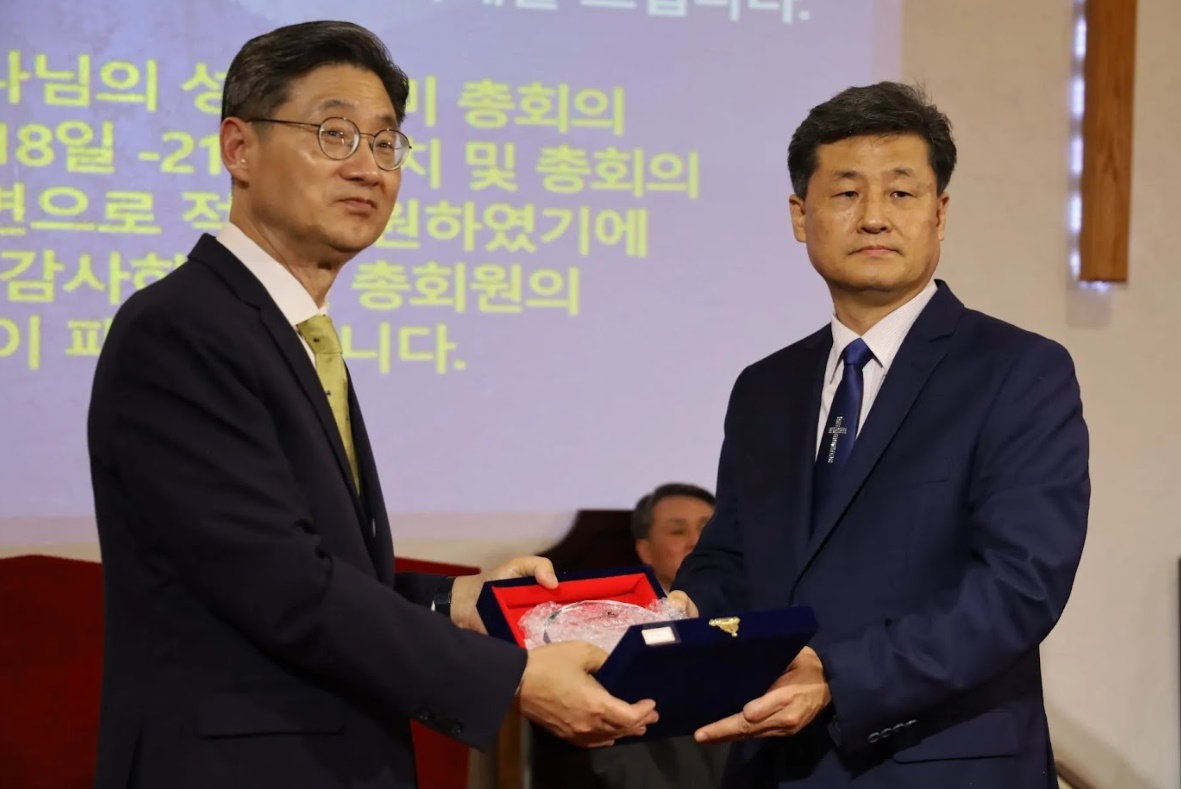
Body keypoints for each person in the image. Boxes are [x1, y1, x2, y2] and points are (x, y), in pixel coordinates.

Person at [87, 21, 655, 789]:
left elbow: (320, 566)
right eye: (334, 133)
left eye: (386, 143)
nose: (367, 167)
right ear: (239, 149)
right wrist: (512, 678)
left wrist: (457, 600)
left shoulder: (286, 331)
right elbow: (281, 584)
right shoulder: (181, 328)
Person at [669, 82, 1089, 788]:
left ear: (939, 213)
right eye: (845, 193)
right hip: (774, 765)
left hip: (943, 766)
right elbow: (731, 559)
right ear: (800, 216)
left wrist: (837, 675)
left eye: (900, 193)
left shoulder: (1018, 370)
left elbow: (1021, 582)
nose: (873, 218)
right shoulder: (764, 387)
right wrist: (677, 613)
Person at [588, 484, 729, 789]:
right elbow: (616, 749)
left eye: (706, 529)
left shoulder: (752, 613)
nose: (695, 541)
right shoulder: (614, 629)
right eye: (678, 531)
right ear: (645, 550)